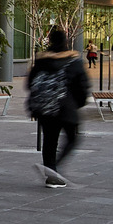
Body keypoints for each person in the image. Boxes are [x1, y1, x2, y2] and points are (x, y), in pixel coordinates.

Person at [26, 28, 89, 188]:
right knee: (73, 138)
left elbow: (30, 84)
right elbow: (82, 86)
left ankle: (51, 173)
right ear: (66, 41)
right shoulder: (74, 61)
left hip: (45, 108)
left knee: (49, 140)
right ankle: (55, 169)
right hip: (66, 107)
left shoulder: (41, 61)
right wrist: (78, 104)